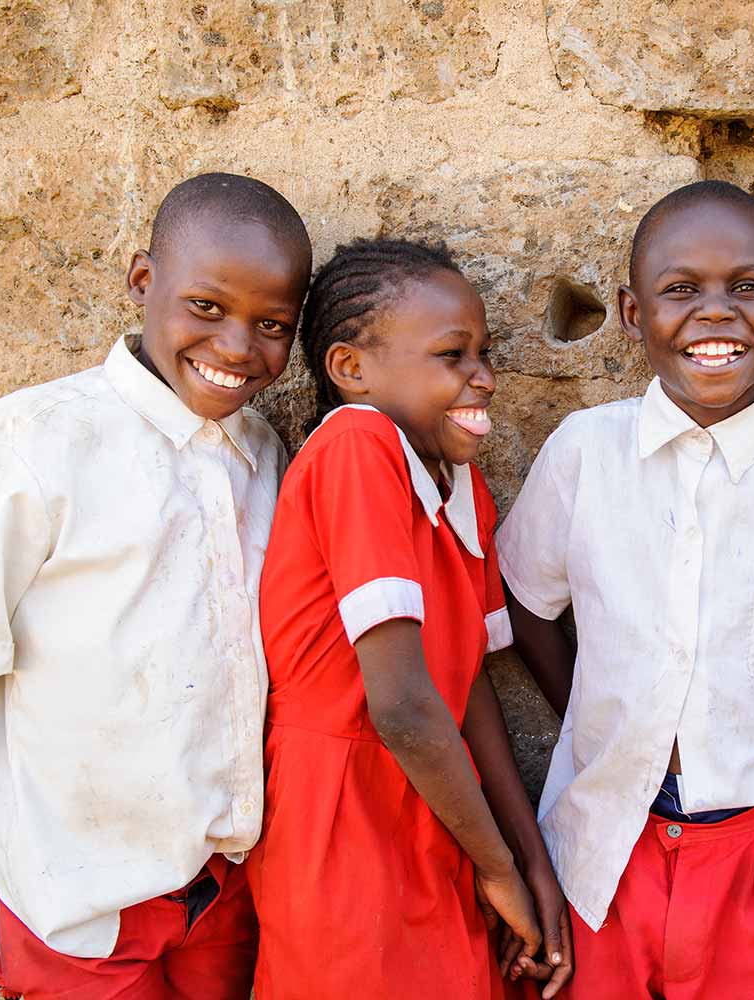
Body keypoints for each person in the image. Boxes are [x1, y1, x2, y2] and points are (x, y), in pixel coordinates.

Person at [0, 173, 314, 1000]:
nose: (238, 347)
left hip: (221, 891)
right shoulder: (42, 437)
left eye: (272, 325)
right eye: (206, 306)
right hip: (77, 907)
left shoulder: (263, 453)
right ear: (143, 281)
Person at [497, 180, 754, 1000]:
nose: (715, 313)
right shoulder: (585, 451)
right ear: (634, 312)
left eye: (746, 288)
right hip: (608, 837)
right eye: (680, 290)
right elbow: (524, 602)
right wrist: (596, 717)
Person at [248, 238, 572, 1000]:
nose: (484, 378)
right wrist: (498, 868)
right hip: (345, 819)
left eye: (485, 352)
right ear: (351, 369)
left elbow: (467, 694)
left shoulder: (461, 486)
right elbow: (400, 706)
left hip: (440, 808)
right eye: (453, 355)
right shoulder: (357, 448)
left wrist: (528, 862)